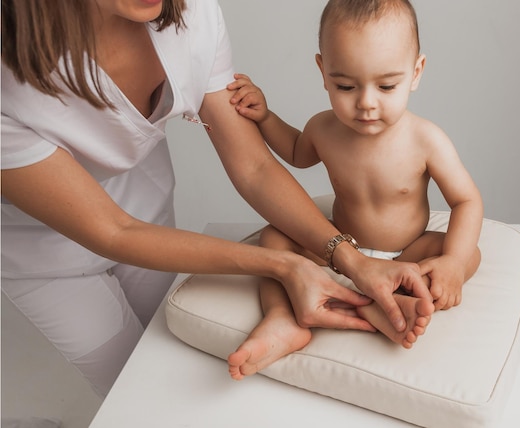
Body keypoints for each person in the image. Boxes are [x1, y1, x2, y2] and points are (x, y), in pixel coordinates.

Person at [1, 0, 434, 403]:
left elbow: (255, 169)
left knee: (182, 361)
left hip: (146, 213)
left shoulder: (192, 14)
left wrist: (352, 261)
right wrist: (286, 265)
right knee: (135, 394)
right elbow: (113, 231)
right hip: (45, 258)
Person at [226, 0, 483, 380]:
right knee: (274, 236)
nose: (365, 103)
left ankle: (384, 302)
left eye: (386, 85)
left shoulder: (426, 140)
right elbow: (296, 152)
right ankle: (284, 316)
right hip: (340, 250)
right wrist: (265, 117)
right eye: (345, 85)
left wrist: (454, 264)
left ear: (416, 72)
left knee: (468, 253)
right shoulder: (324, 129)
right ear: (323, 71)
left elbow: (467, 200)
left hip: (405, 256)